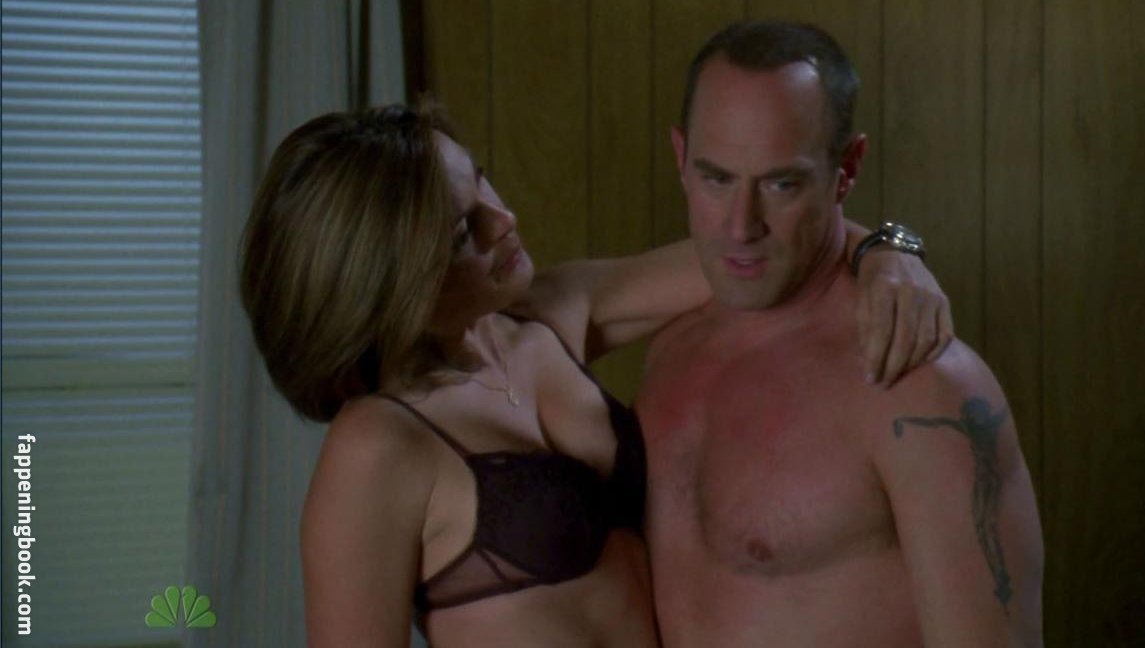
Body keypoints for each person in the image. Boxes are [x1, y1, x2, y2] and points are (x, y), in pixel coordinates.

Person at [239, 102, 951, 647]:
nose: (503, 218)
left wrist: (891, 251)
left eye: (480, 180)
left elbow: (765, 256)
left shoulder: (551, 312)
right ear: (387, 279)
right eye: (462, 232)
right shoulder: (375, 448)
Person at [635, 20, 1045, 647]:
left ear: (846, 169)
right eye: (717, 178)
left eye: (782, 184)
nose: (741, 227)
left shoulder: (918, 383)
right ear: (680, 157)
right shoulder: (668, 349)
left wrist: (890, 245)